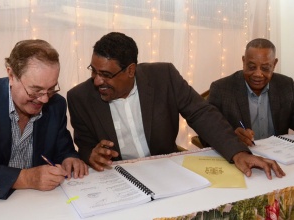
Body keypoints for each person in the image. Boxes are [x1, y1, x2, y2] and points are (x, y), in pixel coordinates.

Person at [67, 32, 285, 180]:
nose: (97, 81)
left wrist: (238, 152)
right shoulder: (80, 97)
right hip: (118, 178)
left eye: (106, 74)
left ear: (131, 70)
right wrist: (90, 154)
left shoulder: (164, 77)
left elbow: (201, 113)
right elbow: (85, 145)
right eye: (93, 71)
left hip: (167, 175)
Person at [0, 39, 88, 199]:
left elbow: (64, 148)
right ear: (11, 75)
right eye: (35, 90)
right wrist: (24, 178)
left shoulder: (56, 105)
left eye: (51, 89)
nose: (45, 99)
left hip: (37, 204)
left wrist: (70, 158)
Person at [208, 38, 294, 146]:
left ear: (274, 63)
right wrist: (230, 136)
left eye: (265, 68)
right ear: (243, 61)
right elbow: (206, 133)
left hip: (279, 157)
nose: (258, 74)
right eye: (252, 67)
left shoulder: (286, 85)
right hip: (241, 156)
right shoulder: (221, 89)